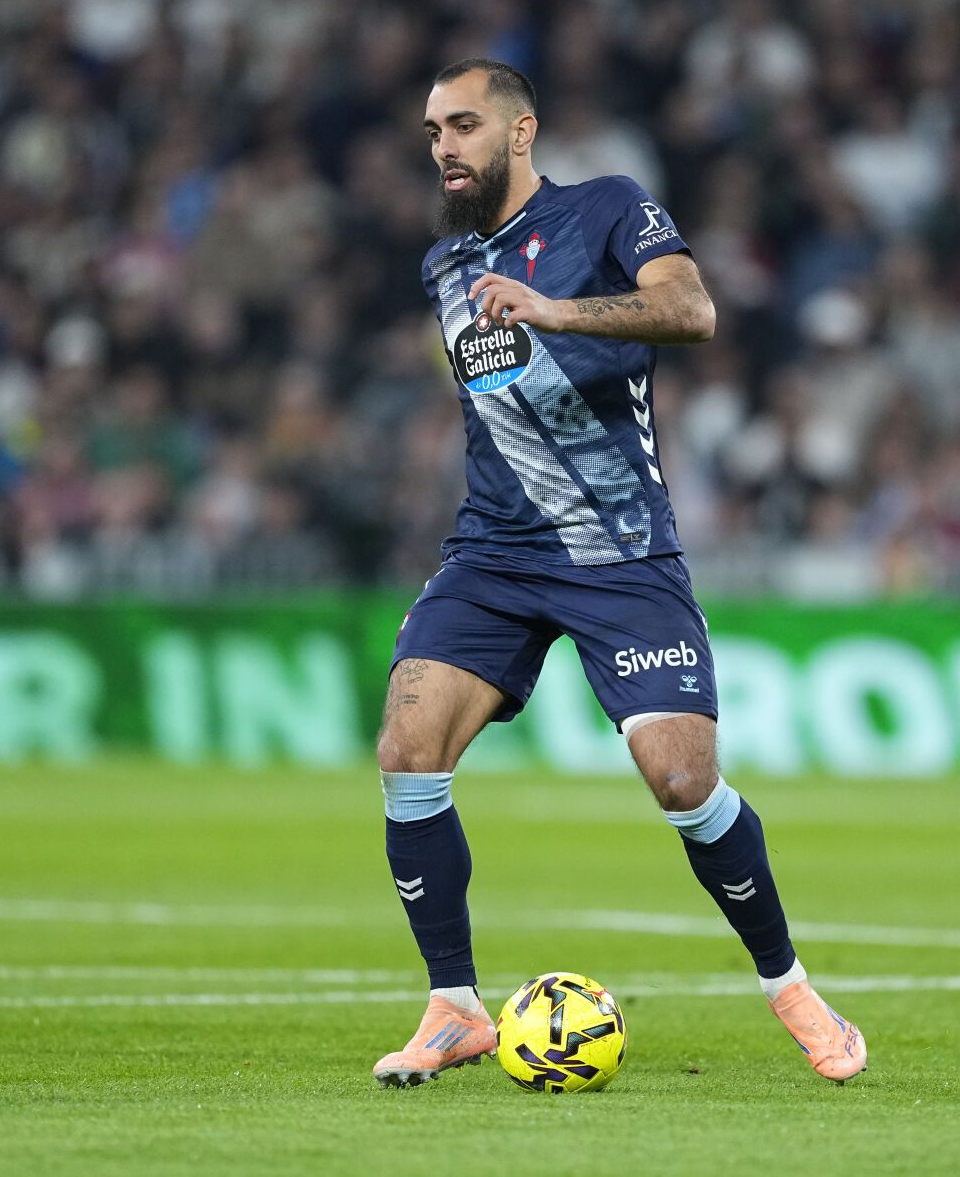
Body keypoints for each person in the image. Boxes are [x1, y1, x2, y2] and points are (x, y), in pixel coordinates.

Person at [371, 59, 866, 1086]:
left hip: (619, 549)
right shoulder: (443, 264)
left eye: (462, 125)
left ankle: (789, 985)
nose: (443, 148)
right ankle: (453, 1006)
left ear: (519, 132)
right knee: (407, 749)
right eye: (432, 132)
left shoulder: (606, 209)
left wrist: (555, 312)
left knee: (682, 779)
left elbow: (692, 312)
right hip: (493, 552)